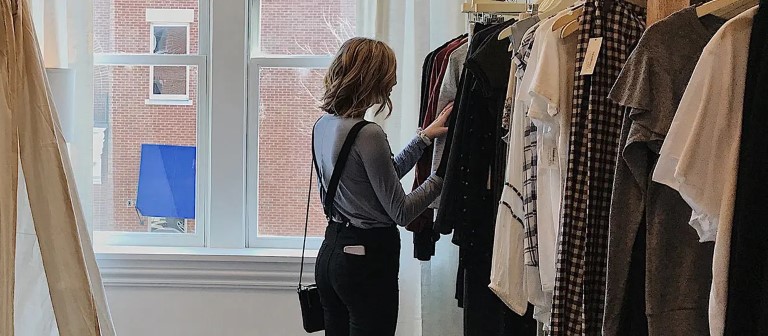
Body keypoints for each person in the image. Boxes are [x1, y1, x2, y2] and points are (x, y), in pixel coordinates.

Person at [313, 37, 452, 336]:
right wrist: (443, 175)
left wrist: (423, 139)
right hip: (366, 263)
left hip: (331, 256)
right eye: (389, 74)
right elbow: (401, 211)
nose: (394, 83)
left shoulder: (323, 125)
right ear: (370, 78)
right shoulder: (368, 134)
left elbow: (379, 179)